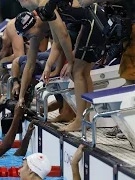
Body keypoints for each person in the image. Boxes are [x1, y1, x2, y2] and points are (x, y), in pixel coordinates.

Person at [16, 1, 110, 132]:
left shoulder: (45, 8)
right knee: (82, 72)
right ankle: (84, 118)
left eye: (27, 34)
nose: (28, 38)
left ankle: (80, 120)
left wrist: (70, 62)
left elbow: (63, 36)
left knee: (77, 71)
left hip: (94, 19)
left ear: (33, 24)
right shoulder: (40, 21)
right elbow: (54, 45)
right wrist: (48, 66)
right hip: (90, 21)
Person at [77, 0, 135, 138]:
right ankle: (126, 123)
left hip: (131, 27)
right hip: (127, 27)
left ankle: (129, 122)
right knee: (128, 76)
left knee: (131, 77)